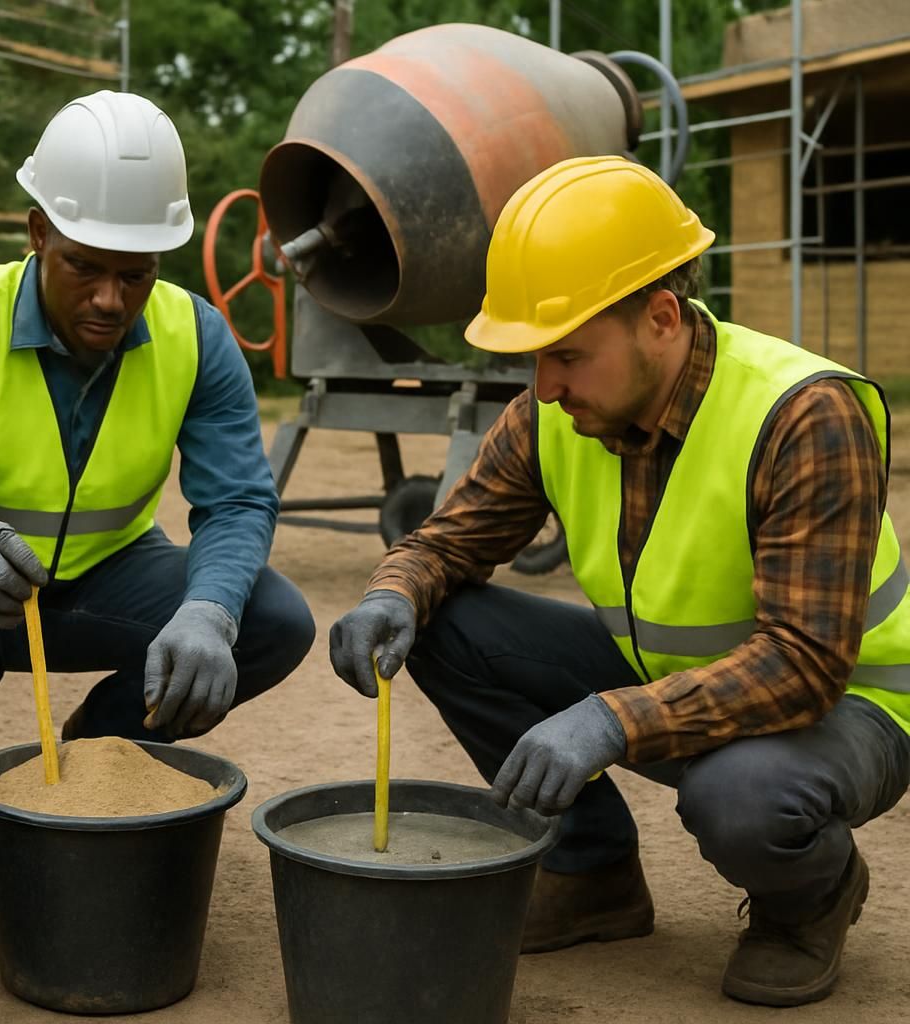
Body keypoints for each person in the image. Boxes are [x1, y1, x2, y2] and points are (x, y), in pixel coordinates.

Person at [328, 155, 910, 1007]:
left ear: (662, 317)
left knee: (741, 799)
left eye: (566, 354)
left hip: (848, 707)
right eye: (534, 358)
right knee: (443, 620)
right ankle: (592, 874)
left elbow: (804, 663)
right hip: (678, 687)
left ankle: (809, 902)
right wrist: (393, 589)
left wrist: (610, 719)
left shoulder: (803, 415)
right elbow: (448, 543)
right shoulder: (558, 411)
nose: (545, 386)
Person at [0, 90, 313, 830]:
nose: (109, 299)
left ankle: (100, 753)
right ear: (38, 232)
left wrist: (208, 610)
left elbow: (236, 503)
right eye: (84, 268)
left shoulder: (197, 336)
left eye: (135, 276)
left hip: (110, 578)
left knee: (271, 618)